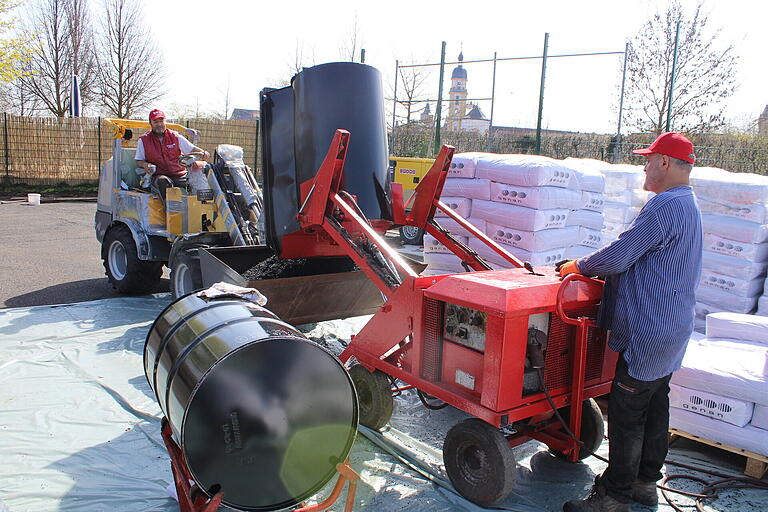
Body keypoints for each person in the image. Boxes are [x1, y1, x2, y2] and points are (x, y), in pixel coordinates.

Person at [559, 132, 702, 512]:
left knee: (627, 413)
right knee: (656, 405)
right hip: (671, 328)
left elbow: (620, 257)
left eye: (649, 159)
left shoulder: (664, 207)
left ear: (665, 163)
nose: (644, 165)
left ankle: (613, 497)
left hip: (650, 329)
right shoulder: (688, 203)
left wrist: (579, 267)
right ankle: (644, 484)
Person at [135, 109, 209, 201]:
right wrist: (145, 165)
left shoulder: (175, 137)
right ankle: (172, 212)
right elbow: (139, 161)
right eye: (155, 122)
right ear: (150, 123)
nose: (159, 124)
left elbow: (192, 149)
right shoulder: (143, 140)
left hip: (179, 175)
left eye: (161, 121)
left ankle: (202, 208)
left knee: (199, 178)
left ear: (165, 121)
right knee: (163, 182)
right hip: (159, 176)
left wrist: (203, 153)